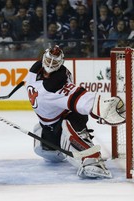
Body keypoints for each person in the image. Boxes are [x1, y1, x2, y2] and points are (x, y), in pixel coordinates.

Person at [25, 45, 125, 179]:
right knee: (69, 122)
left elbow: (78, 97)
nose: (50, 64)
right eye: (49, 60)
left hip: (47, 131)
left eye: (54, 62)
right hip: (53, 133)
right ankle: (85, 154)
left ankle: (86, 154)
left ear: (60, 64)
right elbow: (78, 97)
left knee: (71, 118)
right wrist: (102, 108)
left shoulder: (35, 74)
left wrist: (101, 108)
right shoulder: (48, 84)